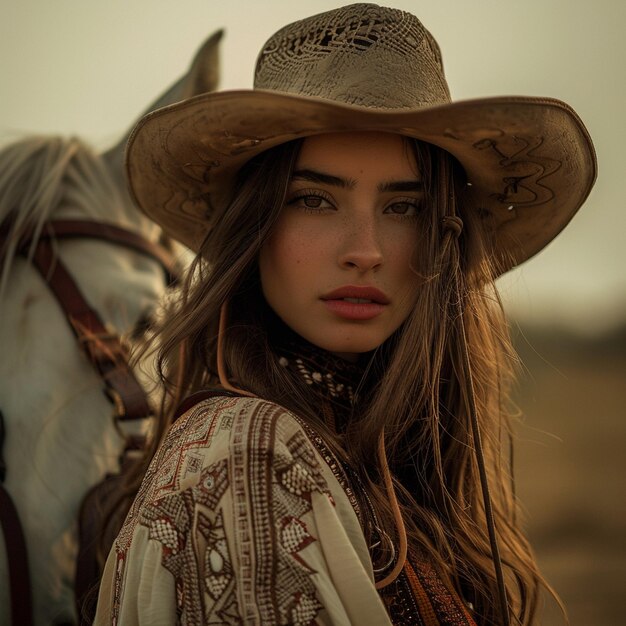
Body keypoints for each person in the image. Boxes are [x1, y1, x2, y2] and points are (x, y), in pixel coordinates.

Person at [93, 4, 596, 625]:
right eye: (313, 199)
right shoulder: (248, 451)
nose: (366, 251)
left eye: (403, 207)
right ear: (254, 228)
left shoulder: (382, 459)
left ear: (445, 234)